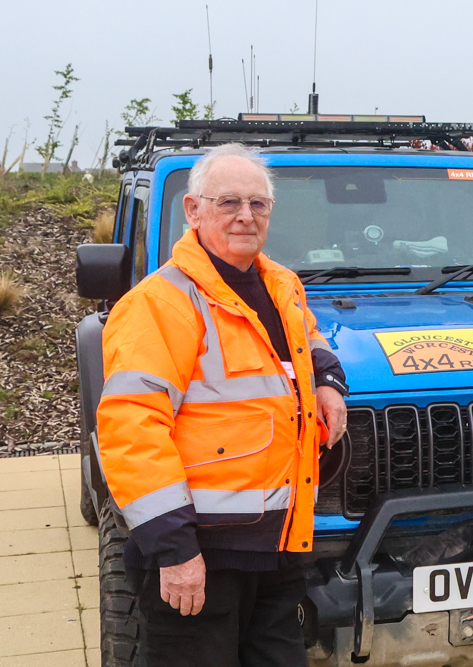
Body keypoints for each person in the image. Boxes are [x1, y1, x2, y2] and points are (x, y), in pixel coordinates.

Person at [97, 143, 349, 666]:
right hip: (200, 555)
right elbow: (131, 430)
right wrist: (175, 550)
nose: (245, 216)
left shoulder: (279, 284)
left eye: (258, 204)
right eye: (228, 202)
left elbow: (307, 339)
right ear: (193, 211)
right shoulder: (159, 303)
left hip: (277, 549)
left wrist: (327, 379)